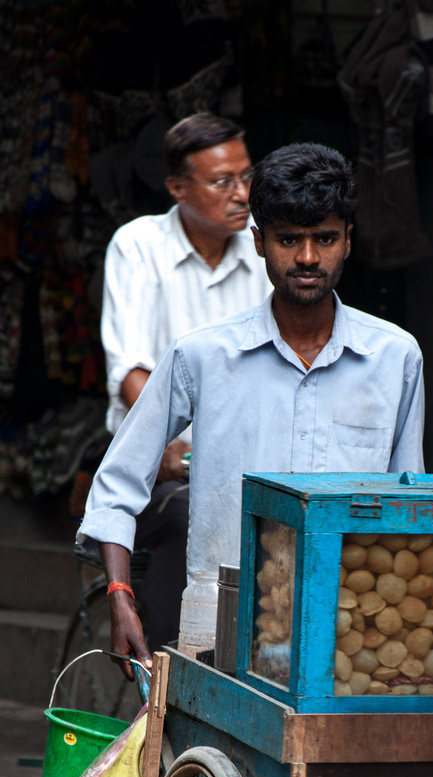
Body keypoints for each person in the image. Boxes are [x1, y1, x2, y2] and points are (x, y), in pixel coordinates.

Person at [78, 142, 425, 777]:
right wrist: (119, 593)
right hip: (220, 634)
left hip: (347, 646)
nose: (305, 258)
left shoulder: (395, 359)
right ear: (260, 245)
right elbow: (118, 485)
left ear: (347, 241)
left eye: (323, 238)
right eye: (287, 240)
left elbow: (405, 511)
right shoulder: (205, 359)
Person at [98, 112, 272, 650]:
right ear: (176, 188)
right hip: (164, 468)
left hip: (249, 465)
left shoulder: (264, 249)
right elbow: (130, 369)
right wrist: (163, 443)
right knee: (188, 517)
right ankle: (174, 668)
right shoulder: (139, 245)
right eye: (223, 182)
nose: (242, 194)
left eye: (248, 177)